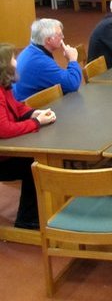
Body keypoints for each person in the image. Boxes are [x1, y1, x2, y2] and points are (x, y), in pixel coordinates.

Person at [0, 43, 57, 230]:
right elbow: (4, 129)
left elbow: (17, 107)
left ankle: (45, 207)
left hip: (5, 154)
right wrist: (36, 122)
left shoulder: (4, 87)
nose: (16, 62)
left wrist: (33, 113)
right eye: (12, 59)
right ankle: (27, 218)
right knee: (34, 165)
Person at [13, 19, 82, 101]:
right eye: (60, 35)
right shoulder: (40, 62)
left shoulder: (31, 50)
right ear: (48, 40)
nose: (63, 37)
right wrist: (72, 60)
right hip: (32, 106)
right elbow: (72, 84)